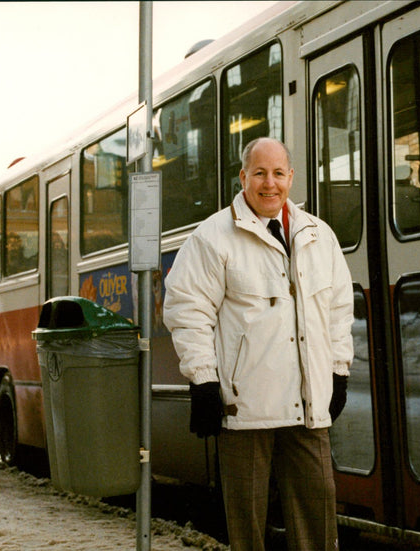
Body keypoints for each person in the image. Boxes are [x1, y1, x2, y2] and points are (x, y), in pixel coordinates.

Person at [163, 137, 354, 551]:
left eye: (279, 173)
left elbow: (339, 310)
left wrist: (338, 371)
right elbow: (187, 310)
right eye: (260, 173)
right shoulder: (213, 237)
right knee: (248, 531)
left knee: (318, 525)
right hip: (245, 411)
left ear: (291, 177)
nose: (270, 184)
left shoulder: (319, 236)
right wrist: (203, 381)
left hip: (308, 410)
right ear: (243, 177)